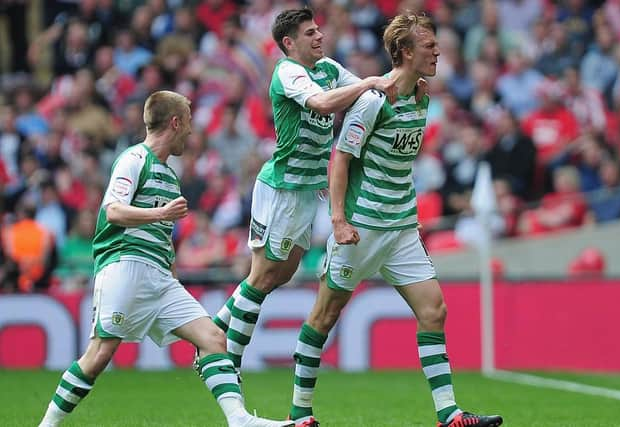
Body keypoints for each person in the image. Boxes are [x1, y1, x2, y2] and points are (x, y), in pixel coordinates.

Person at [286, 14, 503, 427]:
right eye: (429, 45)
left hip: (402, 228)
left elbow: (397, 162)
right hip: (361, 229)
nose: (437, 51)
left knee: (434, 311)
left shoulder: (421, 97)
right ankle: (300, 415)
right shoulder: (373, 101)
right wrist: (338, 220)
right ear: (405, 52)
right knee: (324, 315)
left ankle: (449, 415)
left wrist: (406, 212)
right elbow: (341, 160)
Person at [37, 90, 294, 427]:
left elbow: (162, 237)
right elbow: (113, 211)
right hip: (124, 265)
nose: (190, 132)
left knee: (214, 338)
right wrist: (158, 214)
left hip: (159, 276)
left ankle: (239, 419)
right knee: (100, 354)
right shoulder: (134, 159)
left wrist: (172, 273)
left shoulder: (170, 177)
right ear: (175, 123)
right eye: (187, 124)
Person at [208, 8, 402, 370]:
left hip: (307, 190)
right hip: (281, 188)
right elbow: (324, 102)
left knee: (280, 274)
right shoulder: (288, 73)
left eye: (318, 31)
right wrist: (370, 83)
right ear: (289, 42)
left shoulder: (328, 68)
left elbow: (367, 94)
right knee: (263, 275)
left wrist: (402, 80)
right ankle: (224, 360)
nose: (319, 37)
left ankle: (213, 329)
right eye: (310, 33)